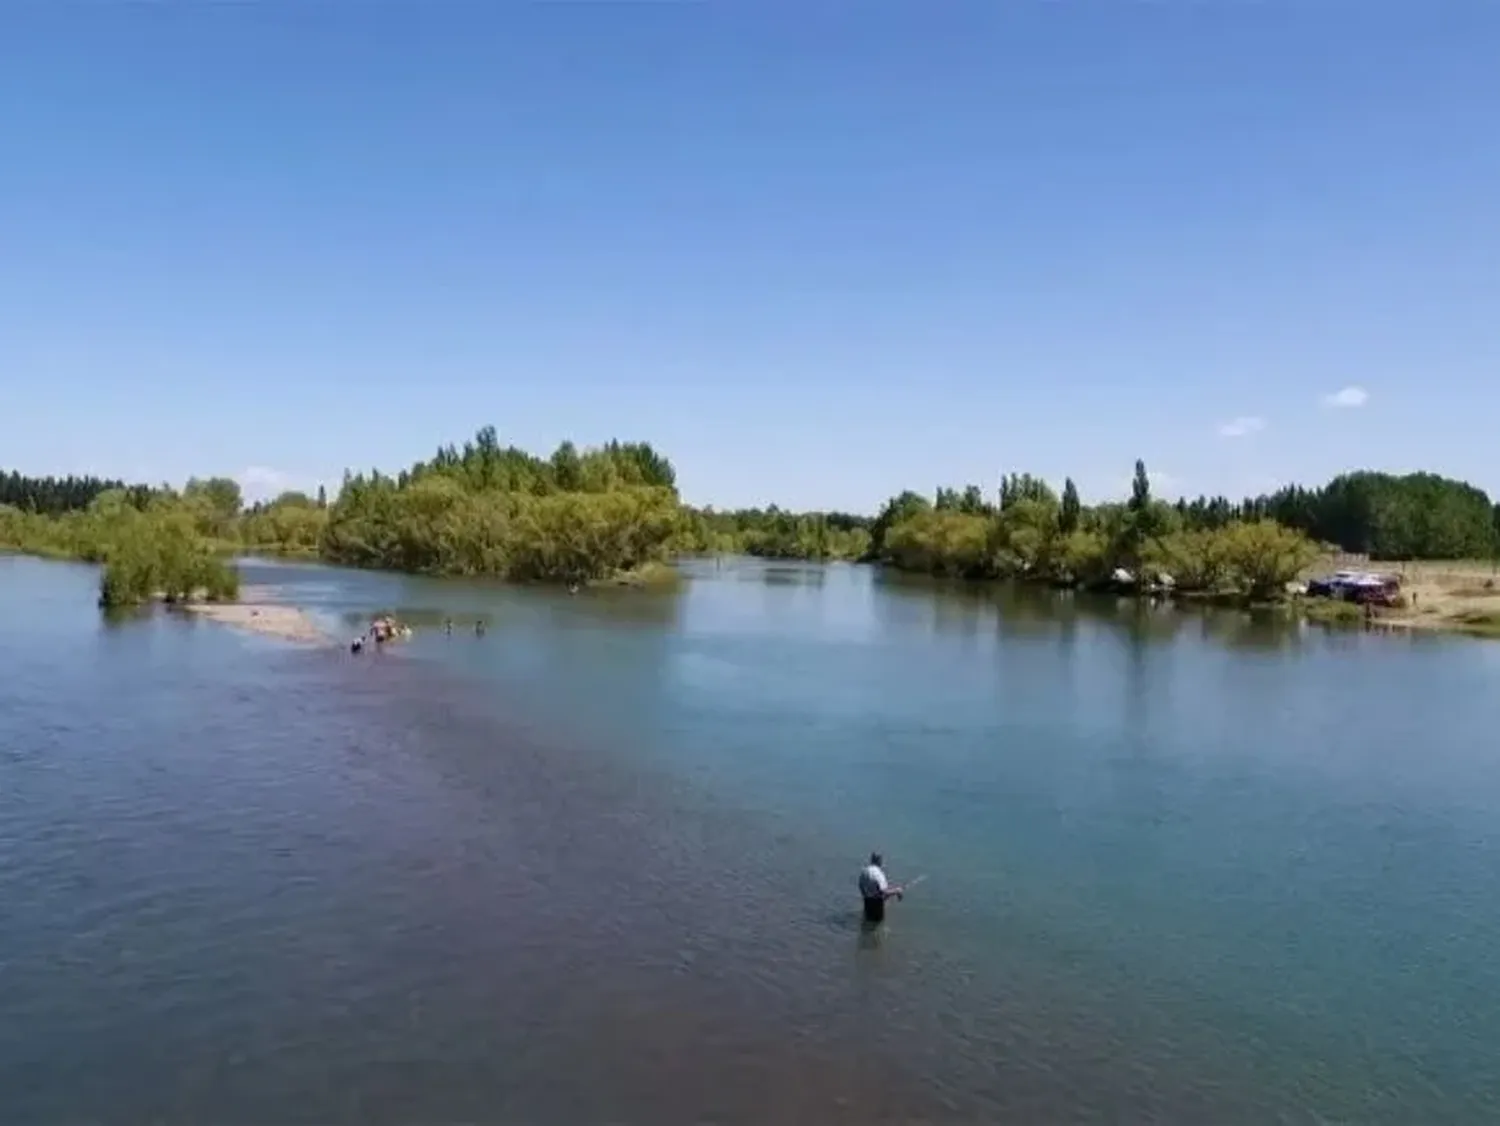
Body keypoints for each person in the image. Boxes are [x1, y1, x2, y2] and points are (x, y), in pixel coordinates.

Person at [858, 852, 901, 923]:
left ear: (871, 860)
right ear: (879, 861)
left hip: (867, 901)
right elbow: (883, 891)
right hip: (877, 904)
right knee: (877, 925)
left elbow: (861, 885)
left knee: (867, 920)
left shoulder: (864, 871)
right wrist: (897, 891)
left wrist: (866, 895)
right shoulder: (879, 873)